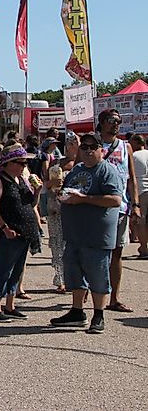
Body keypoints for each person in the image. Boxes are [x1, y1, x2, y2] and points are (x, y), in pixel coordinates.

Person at [51, 132, 125, 334]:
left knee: (98, 275)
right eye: (84, 147)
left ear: (101, 149)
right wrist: (61, 194)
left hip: (97, 235)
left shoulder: (107, 171)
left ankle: (99, 314)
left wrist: (84, 198)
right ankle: (77, 311)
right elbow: (67, 192)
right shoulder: (76, 171)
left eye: (94, 147)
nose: (89, 151)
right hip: (75, 234)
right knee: (74, 274)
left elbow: (115, 200)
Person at [0, 144, 41, 322]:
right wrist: (4, 228)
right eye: (20, 163)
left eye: (25, 163)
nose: (24, 166)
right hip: (9, 232)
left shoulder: (20, 180)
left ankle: (10, 305)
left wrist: (37, 191)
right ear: (9, 163)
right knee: (5, 269)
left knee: (17, 270)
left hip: (24, 232)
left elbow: (30, 204)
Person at [97, 109, 138, 313]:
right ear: (102, 122)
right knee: (95, 252)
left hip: (120, 206)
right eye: (112, 120)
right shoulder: (92, 145)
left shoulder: (125, 146)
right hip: (96, 207)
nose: (116, 124)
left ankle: (114, 297)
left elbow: (131, 177)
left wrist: (136, 204)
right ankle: (91, 291)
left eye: (119, 121)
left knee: (117, 252)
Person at [47, 131, 79, 293]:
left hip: (75, 210)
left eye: (74, 143)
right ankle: (60, 278)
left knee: (72, 245)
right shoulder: (57, 163)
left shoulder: (83, 165)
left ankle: (74, 278)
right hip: (56, 208)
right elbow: (47, 184)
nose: (70, 146)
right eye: (68, 143)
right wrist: (51, 184)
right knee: (57, 243)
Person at [130, 134, 148, 259]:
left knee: (141, 221)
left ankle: (144, 248)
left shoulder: (134, 156)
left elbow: (130, 175)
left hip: (141, 190)